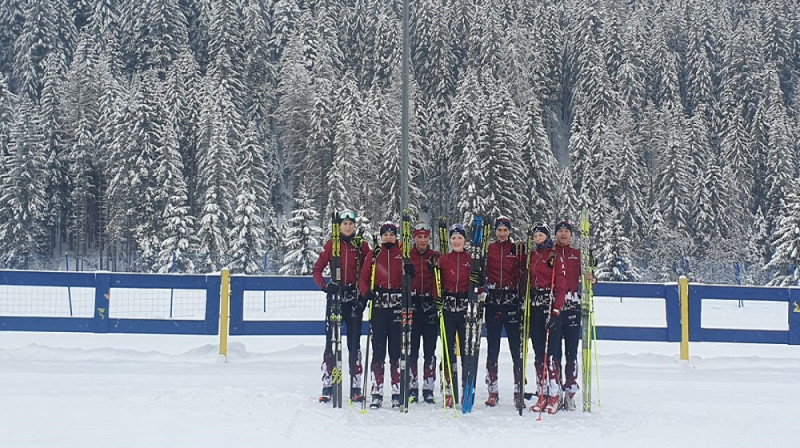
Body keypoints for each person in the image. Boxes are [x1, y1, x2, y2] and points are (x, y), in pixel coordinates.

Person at [355, 221, 415, 410]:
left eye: (392, 234)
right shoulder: (374, 255)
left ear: (396, 236)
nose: (388, 237)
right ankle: (377, 391)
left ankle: (397, 391)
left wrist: (410, 273)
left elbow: (411, 281)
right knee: (378, 350)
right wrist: (366, 293)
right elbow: (363, 279)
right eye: (385, 234)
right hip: (379, 306)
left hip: (397, 307)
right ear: (381, 237)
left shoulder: (402, 255)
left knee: (396, 351)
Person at [312, 209, 370, 403]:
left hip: (353, 299)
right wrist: (325, 286)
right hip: (335, 300)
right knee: (331, 344)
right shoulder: (331, 245)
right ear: (339, 226)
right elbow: (317, 269)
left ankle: (355, 385)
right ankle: (328, 384)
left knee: (354, 344)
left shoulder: (360, 245)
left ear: (354, 226)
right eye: (344, 224)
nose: (347, 227)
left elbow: (371, 267)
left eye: (350, 224)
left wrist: (364, 296)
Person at [431, 222, 483, 408]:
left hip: (465, 310)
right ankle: (448, 390)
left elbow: (481, 285)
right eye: (453, 238)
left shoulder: (472, 259)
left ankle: (465, 388)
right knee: (447, 351)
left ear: (465, 240)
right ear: (450, 240)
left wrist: (479, 284)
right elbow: (435, 283)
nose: (456, 241)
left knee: (467, 353)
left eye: (460, 238)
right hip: (447, 309)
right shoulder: (444, 260)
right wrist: (437, 297)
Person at [552, 220, 596, 411]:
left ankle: (570, 390)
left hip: (573, 305)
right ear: (555, 235)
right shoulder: (550, 253)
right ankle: (556, 390)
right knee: (554, 351)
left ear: (571, 236)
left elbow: (590, 278)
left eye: (566, 232)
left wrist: (591, 279)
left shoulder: (577, 255)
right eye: (560, 231)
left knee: (571, 350)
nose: (563, 234)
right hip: (554, 307)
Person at [482, 216, 523, 407]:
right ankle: (493, 389)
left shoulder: (515, 249)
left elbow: (524, 272)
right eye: (499, 230)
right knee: (492, 347)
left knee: (516, 347)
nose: (502, 233)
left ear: (509, 232)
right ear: (495, 231)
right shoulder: (489, 249)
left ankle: (518, 388)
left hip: (511, 301)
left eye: (505, 230)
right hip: (493, 301)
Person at [527, 223, 565, 414]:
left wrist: (557, 311)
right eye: (536, 236)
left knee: (551, 354)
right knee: (538, 352)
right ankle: (541, 393)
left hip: (549, 307)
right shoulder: (533, 256)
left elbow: (561, 286)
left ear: (547, 237)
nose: (538, 238)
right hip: (535, 305)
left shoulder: (553, 255)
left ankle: (554, 394)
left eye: (541, 235)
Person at [407, 221, 440, 404]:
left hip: (429, 306)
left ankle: (428, 388)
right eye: (419, 237)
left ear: (429, 238)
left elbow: (442, 279)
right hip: (413, 305)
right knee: (412, 350)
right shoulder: (408, 255)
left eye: (425, 237)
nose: (422, 240)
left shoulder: (434, 256)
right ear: (414, 238)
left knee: (430, 350)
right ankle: (412, 387)